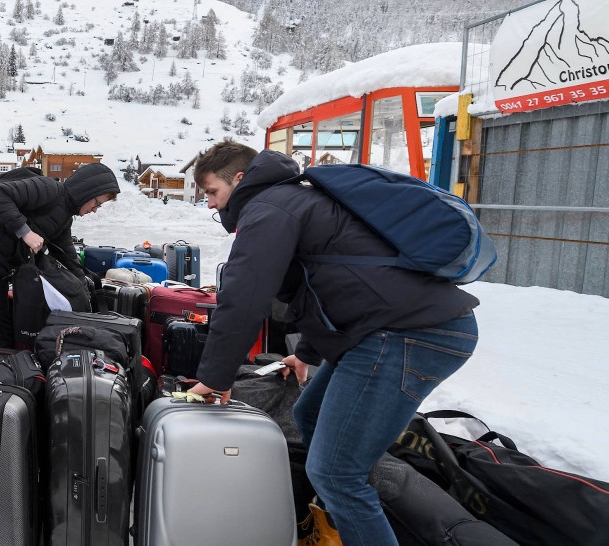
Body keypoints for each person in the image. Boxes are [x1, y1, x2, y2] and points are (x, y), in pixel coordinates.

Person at [185, 140, 479, 546]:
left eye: (213, 193)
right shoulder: (292, 198)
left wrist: (215, 378)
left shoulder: (269, 207)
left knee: (337, 472)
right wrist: (305, 352)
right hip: (395, 328)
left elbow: (244, 297)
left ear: (239, 179)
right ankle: (338, 527)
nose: (213, 205)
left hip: (407, 333)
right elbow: (327, 284)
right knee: (310, 415)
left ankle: (357, 514)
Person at [0, 162, 119, 347]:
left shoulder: (64, 217)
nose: (95, 209)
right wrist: (25, 231)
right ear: (87, 192)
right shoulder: (49, 189)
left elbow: (67, 255)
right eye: (97, 203)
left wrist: (84, 288)